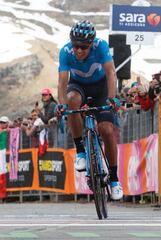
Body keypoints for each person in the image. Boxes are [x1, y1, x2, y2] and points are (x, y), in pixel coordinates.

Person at [57, 20, 123, 200]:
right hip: (78, 87)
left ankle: (115, 179)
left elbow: (111, 73)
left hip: (100, 87)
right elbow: (62, 83)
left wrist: (112, 98)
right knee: (71, 101)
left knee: (107, 130)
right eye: (76, 46)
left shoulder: (101, 46)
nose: (78, 50)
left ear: (91, 44)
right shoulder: (65, 52)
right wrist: (61, 105)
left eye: (83, 47)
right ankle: (80, 151)